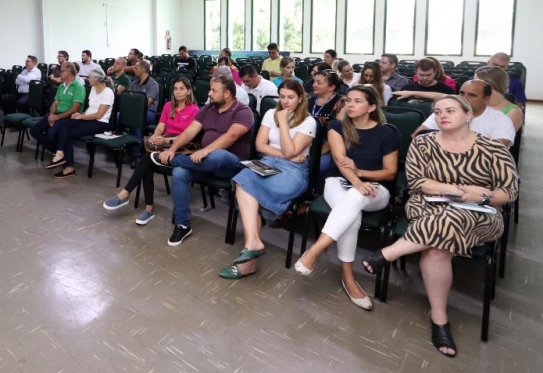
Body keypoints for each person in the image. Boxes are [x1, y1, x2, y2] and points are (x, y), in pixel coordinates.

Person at [362, 95, 518, 358]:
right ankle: (439, 318)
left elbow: (509, 192)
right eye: (437, 111)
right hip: (427, 206)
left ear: (468, 115)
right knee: (438, 246)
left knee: (452, 221)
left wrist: (479, 197)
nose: (442, 115)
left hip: (478, 213)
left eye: (450, 110)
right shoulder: (423, 143)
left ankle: (389, 253)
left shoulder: (493, 148)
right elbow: (417, 181)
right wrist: (460, 191)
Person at [294, 86, 398, 310]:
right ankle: (349, 278)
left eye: (358, 101)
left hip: (376, 189)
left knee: (354, 199)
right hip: (338, 182)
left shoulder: (387, 132)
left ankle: (316, 250)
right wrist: (357, 183)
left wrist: (361, 176)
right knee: (352, 209)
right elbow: (341, 161)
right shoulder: (336, 127)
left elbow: (389, 172)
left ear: (371, 107)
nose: (350, 105)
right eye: (348, 100)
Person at [217, 81, 317, 279]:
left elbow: (291, 153)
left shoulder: (308, 121)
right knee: (242, 178)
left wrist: (283, 124)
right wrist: (285, 153)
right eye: (282, 97)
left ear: (300, 98)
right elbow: (260, 145)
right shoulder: (270, 113)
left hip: (293, 172)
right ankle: (252, 245)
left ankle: (250, 256)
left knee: (247, 189)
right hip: (268, 163)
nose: (285, 101)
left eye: (291, 97)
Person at [158, 76, 254, 246]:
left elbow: (231, 136)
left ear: (227, 93)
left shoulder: (243, 111)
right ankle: (183, 224)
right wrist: (171, 149)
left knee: (219, 155)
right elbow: (190, 132)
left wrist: (206, 150)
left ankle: (175, 161)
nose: (209, 93)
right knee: (179, 173)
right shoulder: (208, 108)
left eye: (214, 90)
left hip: (231, 165)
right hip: (202, 161)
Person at [103, 78, 199, 224]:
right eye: (176, 89)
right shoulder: (168, 106)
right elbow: (161, 126)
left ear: (189, 91)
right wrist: (156, 136)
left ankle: (128, 196)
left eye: (182, 89)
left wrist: (167, 140)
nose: (178, 92)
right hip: (164, 148)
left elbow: (189, 136)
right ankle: (147, 208)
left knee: (146, 159)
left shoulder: (194, 110)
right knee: (146, 163)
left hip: (181, 149)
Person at [45, 66, 114, 179]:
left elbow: (99, 115)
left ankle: (68, 166)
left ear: (96, 79)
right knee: (63, 125)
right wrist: (80, 115)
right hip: (87, 118)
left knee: (68, 134)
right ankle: (60, 154)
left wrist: (81, 117)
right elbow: (91, 108)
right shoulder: (93, 89)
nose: (88, 79)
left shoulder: (108, 92)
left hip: (100, 123)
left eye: (90, 77)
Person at [411, 80, 515, 146]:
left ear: (486, 100)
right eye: (461, 93)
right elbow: (417, 135)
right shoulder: (443, 112)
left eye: (472, 95)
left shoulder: (501, 120)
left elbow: (498, 149)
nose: (464, 98)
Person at [29, 63, 85, 152]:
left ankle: (60, 151)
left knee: (51, 134)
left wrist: (57, 117)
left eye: (61, 71)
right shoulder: (61, 86)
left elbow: (75, 108)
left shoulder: (78, 87)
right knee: (34, 131)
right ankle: (57, 150)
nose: (59, 73)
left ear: (68, 72)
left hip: (70, 117)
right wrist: (51, 116)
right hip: (57, 115)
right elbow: (55, 103)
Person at [128, 59, 161, 164]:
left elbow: (145, 104)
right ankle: (121, 145)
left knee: (135, 120)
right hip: (134, 111)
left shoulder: (153, 84)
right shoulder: (134, 83)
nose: (134, 69)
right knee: (118, 116)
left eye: (136, 68)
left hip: (149, 112)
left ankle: (136, 154)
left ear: (143, 70)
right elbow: (128, 99)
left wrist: (134, 101)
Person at [473, 66, 523, 132]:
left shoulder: (513, 112)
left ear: (489, 84)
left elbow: (500, 141)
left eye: (475, 81)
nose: (472, 85)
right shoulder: (474, 103)